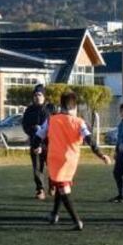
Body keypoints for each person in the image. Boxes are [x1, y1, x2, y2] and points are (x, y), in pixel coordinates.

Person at [36, 91, 111, 231]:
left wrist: (36, 146)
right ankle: (54, 214)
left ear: (61, 105)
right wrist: (101, 155)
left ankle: (77, 221)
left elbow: (39, 135)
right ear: (74, 107)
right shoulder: (79, 122)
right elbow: (89, 139)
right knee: (60, 185)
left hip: (55, 160)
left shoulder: (51, 119)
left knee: (63, 188)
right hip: (70, 160)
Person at [22, 84, 52, 200]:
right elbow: (25, 126)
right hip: (35, 143)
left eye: (39, 94)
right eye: (35, 95)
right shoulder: (29, 110)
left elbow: (54, 126)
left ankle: (53, 185)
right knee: (37, 169)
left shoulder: (50, 109)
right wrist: (33, 131)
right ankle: (40, 190)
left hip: (49, 144)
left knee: (52, 167)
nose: (37, 97)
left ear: (44, 96)